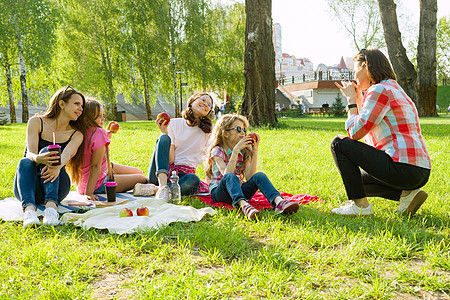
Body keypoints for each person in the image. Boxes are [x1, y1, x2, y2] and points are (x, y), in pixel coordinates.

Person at [331, 48, 431, 216]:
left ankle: (361, 207)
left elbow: (355, 133)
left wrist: (351, 102)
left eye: (355, 70)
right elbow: (369, 134)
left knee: (338, 143)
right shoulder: (393, 88)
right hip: (418, 170)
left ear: (365, 66)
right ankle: (408, 195)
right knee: (355, 182)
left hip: (402, 166)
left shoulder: (379, 90)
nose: (354, 75)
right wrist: (359, 99)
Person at [14, 86, 85, 227]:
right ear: (62, 104)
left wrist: (57, 166)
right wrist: (39, 158)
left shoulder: (77, 134)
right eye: (77, 104)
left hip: (57, 186)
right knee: (25, 161)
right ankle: (29, 211)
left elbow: (67, 154)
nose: (81, 109)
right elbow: (30, 153)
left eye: (82, 106)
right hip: (30, 186)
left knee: (50, 151)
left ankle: (51, 209)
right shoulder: (36, 122)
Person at [205, 114, 299, 220]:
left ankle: (279, 202)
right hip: (220, 193)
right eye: (238, 129)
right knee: (231, 176)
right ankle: (244, 206)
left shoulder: (243, 152)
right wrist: (235, 151)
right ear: (226, 134)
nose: (243, 133)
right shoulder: (218, 151)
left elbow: (250, 177)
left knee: (259, 175)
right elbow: (226, 174)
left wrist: (254, 152)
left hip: (238, 190)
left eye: (244, 129)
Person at [134, 92, 214, 200]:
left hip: (183, 178)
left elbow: (209, 158)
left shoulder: (209, 131)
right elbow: (170, 160)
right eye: (203, 100)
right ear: (191, 101)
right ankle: (162, 186)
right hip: (161, 172)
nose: (206, 104)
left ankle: (155, 190)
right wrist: (164, 132)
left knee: (194, 181)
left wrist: (210, 180)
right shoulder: (173, 123)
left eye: (209, 105)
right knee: (163, 138)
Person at [76, 98, 149, 200]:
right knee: (142, 178)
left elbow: (91, 150)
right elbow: (95, 166)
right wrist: (89, 193)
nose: (103, 119)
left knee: (138, 171)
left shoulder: (81, 132)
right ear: (88, 119)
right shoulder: (98, 132)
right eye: (99, 117)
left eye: (103, 116)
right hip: (97, 184)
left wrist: (106, 136)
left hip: (83, 184)